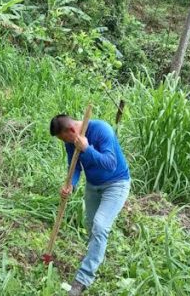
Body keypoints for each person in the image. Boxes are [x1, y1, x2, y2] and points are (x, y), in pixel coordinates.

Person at [49, 114, 130, 296]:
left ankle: (82, 280)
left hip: (116, 184)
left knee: (100, 226)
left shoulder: (102, 129)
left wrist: (87, 149)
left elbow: (110, 164)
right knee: (91, 225)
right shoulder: (70, 140)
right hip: (93, 186)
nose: (65, 142)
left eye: (64, 138)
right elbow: (75, 166)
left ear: (71, 130)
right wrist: (71, 183)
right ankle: (95, 256)